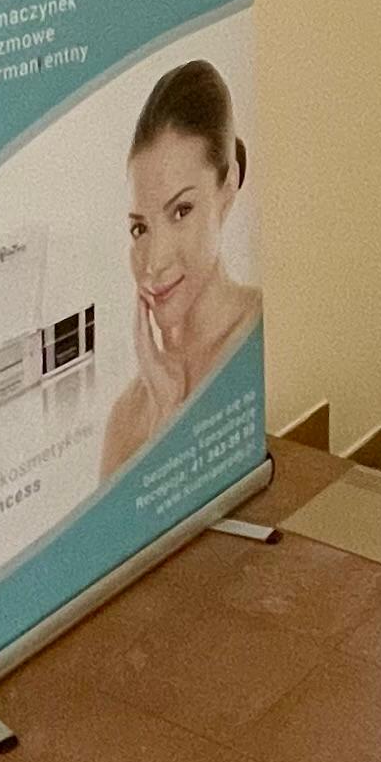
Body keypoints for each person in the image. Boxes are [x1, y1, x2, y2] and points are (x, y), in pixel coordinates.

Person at [98, 60, 262, 482]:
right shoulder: (127, 415)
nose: (154, 261)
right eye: (140, 228)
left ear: (228, 187)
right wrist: (167, 408)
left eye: (181, 211)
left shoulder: (256, 340)